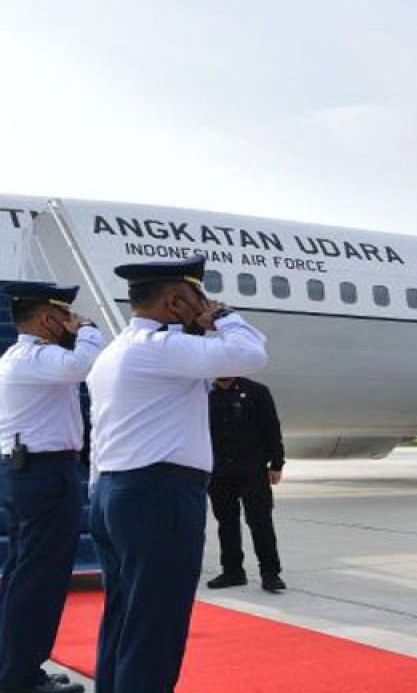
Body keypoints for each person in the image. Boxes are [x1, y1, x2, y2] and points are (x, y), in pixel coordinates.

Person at [87, 254, 268, 692]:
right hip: (158, 494)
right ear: (174, 302)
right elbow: (251, 353)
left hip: (113, 489)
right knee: (156, 627)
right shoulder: (161, 349)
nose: (204, 306)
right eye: (197, 298)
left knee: (126, 617)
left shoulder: (117, 350)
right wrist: (223, 317)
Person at [0, 282, 106, 693]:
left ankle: (16, 673)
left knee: (24, 579)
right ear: (47, 319)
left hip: (30, 473)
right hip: (44, 475)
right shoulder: (35, 357)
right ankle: (20, 679)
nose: (70, 323)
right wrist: (89, 329)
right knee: (40, 582)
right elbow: (87, 365)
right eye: (65, 315)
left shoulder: (24, 357)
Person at [205, 376, 287, 593]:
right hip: (219, 471)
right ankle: (232, 571)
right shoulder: (205, 394)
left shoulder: (256, 391)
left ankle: (270, 573)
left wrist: (277, 463)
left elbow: (271, 427)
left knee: (260, 522)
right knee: (226, 522)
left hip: (252, 470)